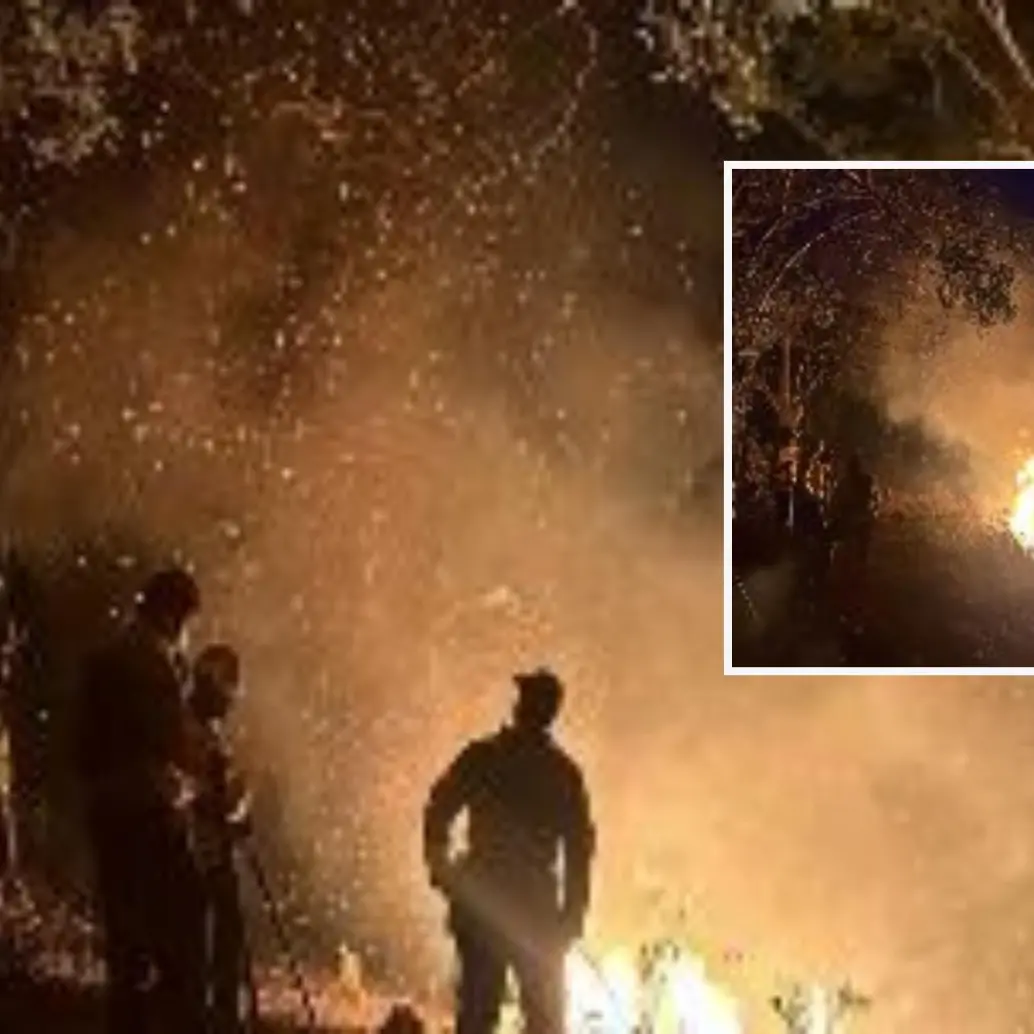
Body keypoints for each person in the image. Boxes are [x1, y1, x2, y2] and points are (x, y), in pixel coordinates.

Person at [423, 667, 595, 1034]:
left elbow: (438, 810)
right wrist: (571, 916)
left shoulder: (485, 757)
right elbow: (579, 852)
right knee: (542, 1019)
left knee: (480, 1013)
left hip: (487, 904)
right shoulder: (562, 773)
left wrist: (443, 869)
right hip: (534, 911)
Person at [77, 566, 207, 1034]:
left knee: (126, 940)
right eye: (186, 619)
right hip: (147, 811)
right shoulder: (150, 664)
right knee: (182, 927)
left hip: (109, 810)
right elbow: (173, 742)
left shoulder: (109, 656)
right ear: (172, 613)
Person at [185, 643, 253, 1034]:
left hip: (213, 852)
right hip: (195, 855)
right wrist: (232, 805)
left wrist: (235, 809)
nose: (230, 703)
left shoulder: (208, 731)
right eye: (227, 693)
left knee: (228, 936)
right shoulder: (186, 729)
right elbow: (195, 797)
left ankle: (225, 1015)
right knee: (201, 944)